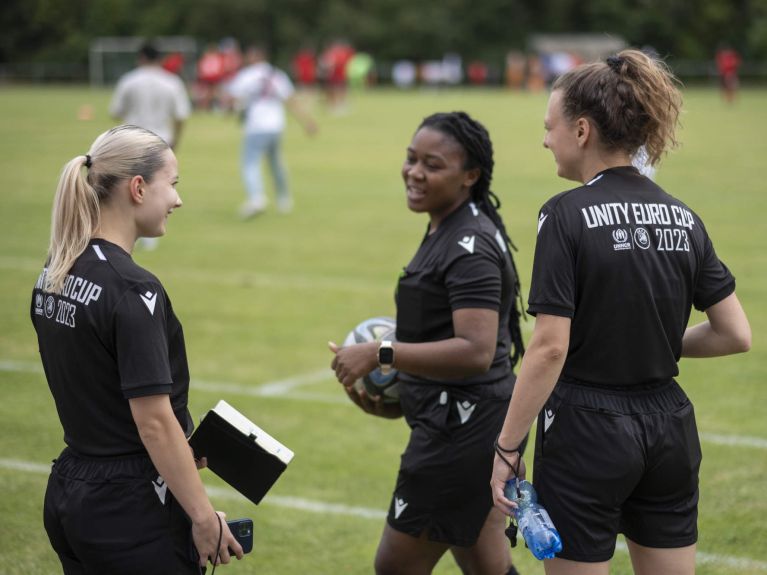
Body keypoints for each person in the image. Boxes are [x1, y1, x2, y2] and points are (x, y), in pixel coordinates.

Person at [490, 49, 751, 574]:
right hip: (672, 430)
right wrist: (644, 339)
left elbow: (549, 348)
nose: (546, 140)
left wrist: (505, 450)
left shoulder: (563, 214)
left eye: (550, 127)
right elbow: (735, 333)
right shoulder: (683, 215)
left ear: (582, 130)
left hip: (587, 429)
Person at [31, 125, 244, 574]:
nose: (178, 200)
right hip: (128, 506)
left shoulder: (55, 271)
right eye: (174, 184)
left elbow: (102, 391)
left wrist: (181, 452)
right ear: (138, 187)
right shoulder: (133, 288)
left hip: (73, 487)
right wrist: (203, 516)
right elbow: (152, 423)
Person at [330, 111, 526, 575]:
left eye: (432, 165)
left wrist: (381, 354)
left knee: (395, 567)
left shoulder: (470, 244)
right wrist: (400, 394)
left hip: (460, 434)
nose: (415, 172)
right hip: (463, 423)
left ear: (470, 176)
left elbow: (476, 351)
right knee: (486, 564)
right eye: (411, 159)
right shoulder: (448, 222)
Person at [110, 41, 192, 251]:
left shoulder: (129, 80)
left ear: (141, 58)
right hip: (160, 140)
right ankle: (151, 231)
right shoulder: (171, 82)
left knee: (130, 187)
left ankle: (129, 230)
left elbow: (116, 111)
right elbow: (182, 115)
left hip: (132, 139)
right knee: (157, 186)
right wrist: (176, 140)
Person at [225, 45, 317, 218]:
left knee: (250, 163)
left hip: (255, 126)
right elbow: (291, 101)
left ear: (252, 57)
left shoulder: (246, 75)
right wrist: (307, 122)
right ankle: (284, 199)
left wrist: (231, 110)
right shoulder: (277, 74)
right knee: (275, 163)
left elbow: (231, 98)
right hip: (276, 126)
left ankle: (257, 198)